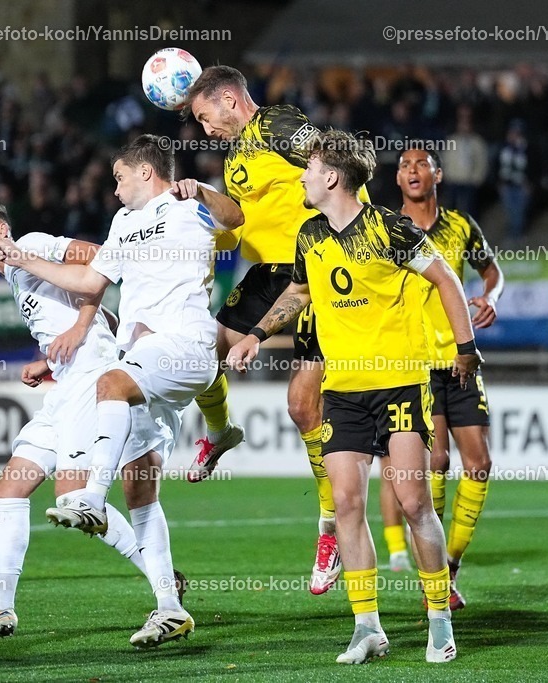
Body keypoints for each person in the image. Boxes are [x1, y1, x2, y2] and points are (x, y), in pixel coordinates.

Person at [227, 130, 481, 664]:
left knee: (414, 503)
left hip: (398, 384)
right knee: (346, 503)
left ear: (332, 177)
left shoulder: (390, 228)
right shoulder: (310, 234)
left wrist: (465, 348)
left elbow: (446, 281)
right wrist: (253, 334)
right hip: (342, 390)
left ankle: (438, 619)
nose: (300, 175)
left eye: (308, 168)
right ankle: (367, 626)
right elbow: (299, 292)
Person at [0, 134, 242, 647]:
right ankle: (170, 607)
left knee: (110, 384)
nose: (115, 188)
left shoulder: (188, 205)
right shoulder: (123, 224)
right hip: (148, 358)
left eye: (120, 178)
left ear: (146, 173)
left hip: (186, 345)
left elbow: (235, 219)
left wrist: (205, 191)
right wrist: (19, 258)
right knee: (141, 487)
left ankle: (92, 500)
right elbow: (87, 283)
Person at [0, 200, 183, 649]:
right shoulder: (16, 273)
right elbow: (91, 313)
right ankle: (1, 606)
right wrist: (49, 360)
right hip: (65, 386)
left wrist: (80, 330)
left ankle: (164, 582)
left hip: (90, 385)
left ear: (2, 230)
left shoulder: (30, 245)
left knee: (74, 499)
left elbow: (100, 260)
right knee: (9, 489)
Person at [184, 65, 373, 594]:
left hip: (314, 267)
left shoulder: (276, 124)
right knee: (206, 351)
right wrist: (198, 204)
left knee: (302, 406)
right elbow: (241, 218)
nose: (205, 130)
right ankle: (220, 433)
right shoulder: (238, 152)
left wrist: (351, 237)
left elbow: (342, 164)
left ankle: (330, 528)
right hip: (269, 269)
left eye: (205, 117)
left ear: (228, 99)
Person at [379, 148, 505, 605]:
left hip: (462, 361)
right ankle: (433, 576)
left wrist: (492, 295)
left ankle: (449, 564)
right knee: (435, 464)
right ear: (397, 180)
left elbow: (492, 271)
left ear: (438, 174)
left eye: (421, 164)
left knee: (480, 464)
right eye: (405, 166)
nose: (412, 171)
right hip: (416, 364)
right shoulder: (388, 227)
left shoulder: (461, 225)